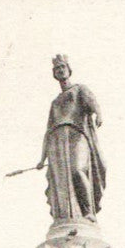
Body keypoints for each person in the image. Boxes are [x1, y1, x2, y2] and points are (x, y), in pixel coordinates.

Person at [37, 54, 105, 222]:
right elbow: (48, 130)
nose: (60, 71)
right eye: (57, 69)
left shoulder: (79, 89)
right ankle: (65, 216)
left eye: (62, 67)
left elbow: (92, 102)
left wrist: (99, 114)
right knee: (60, 180)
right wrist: (42, 158)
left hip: (77, 135)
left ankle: (88, 211)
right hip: (57, 140)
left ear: (69, 70)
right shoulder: (55, 102)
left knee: (78, 170)